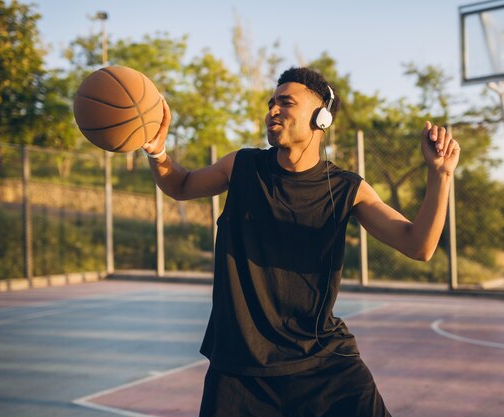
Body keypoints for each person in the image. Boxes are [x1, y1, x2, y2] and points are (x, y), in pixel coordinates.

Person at [142, 67, 460, 417]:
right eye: (271, 103)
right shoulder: (242, 166)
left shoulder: (346, 188)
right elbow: (182, 185)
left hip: (322, 364)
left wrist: (440, 175)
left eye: (285, 102)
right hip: (239, 370)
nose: (272, 111)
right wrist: (158, 154)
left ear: (320, 117)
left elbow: (419, 246)